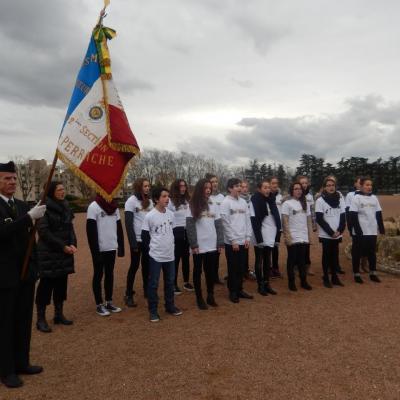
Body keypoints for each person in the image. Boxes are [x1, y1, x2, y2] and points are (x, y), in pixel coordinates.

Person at [0, 161, 46, 388]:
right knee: (5, 323)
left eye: (13, 178)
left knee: (23, 321)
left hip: (25, 275)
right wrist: (29, 218)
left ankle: (22, 362)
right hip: (4, 277)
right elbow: (3, 233)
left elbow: (31, 241)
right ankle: (6, 370)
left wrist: (35, 268)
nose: (12, 182)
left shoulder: (20, 205)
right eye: (6, 178)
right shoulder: (21, 212)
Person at [35, 181, 77, 333]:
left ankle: (58, 314)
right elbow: (44, 232)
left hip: (64, 253)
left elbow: (70, 228)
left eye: (63, 189)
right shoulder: (43, 207)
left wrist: (73, 243)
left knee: (61, 284)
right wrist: (62, 246)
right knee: (46, 286)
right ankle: (40, 319)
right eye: (59, 189)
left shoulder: (65, 206)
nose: (62, 191)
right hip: (49, 253)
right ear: (51, 191)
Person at [142, 187, 183, 322]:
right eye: (164, 196)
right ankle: (153, 311)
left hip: (169, 255)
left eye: (168, 196)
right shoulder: (149, 216)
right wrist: (151, 251)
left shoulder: (171, 214)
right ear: (156, 199)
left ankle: (170, 306)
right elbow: (145, 237)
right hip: (155, 255)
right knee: (153, 283)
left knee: (170, 282)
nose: (167, 199)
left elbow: (174, 232)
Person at [186, 179, 224, 310]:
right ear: (200, 189)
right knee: (198, 271)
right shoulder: (192, 204)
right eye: (205, 188)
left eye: (210, 188)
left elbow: (218, 225)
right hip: (199, 246)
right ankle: (199, 298)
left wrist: (220, 242)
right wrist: (194, 244)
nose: (208, 190)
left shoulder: (214, 204)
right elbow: (190, 226)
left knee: (210, 271)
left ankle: (210, 295)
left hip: (212, 244)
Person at [86, 195, 124, 316]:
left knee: (109, 274)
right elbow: (90, 231)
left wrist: (121, 246)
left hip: (111, 246)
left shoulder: (115, 207)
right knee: (98, 274)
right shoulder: (93, 206)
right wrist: (95, 251)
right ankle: (99, 304)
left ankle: (109, 301)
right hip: (99, 248)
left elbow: (119, 228)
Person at [220, 178, 253, 303]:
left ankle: (240, 289)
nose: (239, 188)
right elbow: (225, 223)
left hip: (243, 241)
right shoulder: (225, 203)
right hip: (232, 243)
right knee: (233, 268)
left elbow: (248, 220)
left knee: (241, 268)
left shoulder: (244, 202)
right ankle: (232, 292)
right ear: (229, 188)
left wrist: (247, 237)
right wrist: (233, 240)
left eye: (240, 186)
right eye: (236, 186)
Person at [349, 177, 385, 284]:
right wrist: (358, 230)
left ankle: (373, 273)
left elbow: (378, 214)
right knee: (357, 253)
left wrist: (381, 228)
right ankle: (356, 274)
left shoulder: (374, 198)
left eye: (371, 185)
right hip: (360, 231)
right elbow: (353, 215)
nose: (369, 187)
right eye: (367, 185)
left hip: (372, 230)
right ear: (361, 186)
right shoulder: (356, 198)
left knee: (371, 253)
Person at [124, 178, 153, 307]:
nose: (147, 188)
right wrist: (133, 243)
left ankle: (147, 291)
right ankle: (128, 294)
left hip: (148, 239)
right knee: (134, 266)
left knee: (147, 266)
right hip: (137, 240)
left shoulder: (150, 202)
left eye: (148, 186)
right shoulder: (131, 201)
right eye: (145, 186)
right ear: (139, 187)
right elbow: (128, 224)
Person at [250, 179, 280, 296]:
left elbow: (276, 219)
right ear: (259, 189)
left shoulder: (272, 200)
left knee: (268, 260)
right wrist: (259, 238)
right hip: (261, 233)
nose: (268, 189)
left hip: (271, 233)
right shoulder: (256, 200)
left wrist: (277, 235)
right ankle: (260, 285)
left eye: (269, 187)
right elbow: (255, 221)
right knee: (259, 260)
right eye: (265, 187)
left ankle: (267, 283)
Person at [281, 182, 313, 292]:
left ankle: (303, 281)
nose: (298, 191)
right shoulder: (287, 204)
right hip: (293, 237)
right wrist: (288, 237)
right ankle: (291, 282)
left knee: (302, 261)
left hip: (303, 237)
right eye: (295, 189)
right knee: (292, 260)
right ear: (291, 191)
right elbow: (285, 222)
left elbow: (309, 221)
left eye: (300, 189)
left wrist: (310, 236)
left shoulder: (305, 203)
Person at [315, 177, 345, 288]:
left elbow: (343, 216)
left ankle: (334, 277)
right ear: (324, 187)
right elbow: (319, 219)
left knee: (335, 256)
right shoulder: (320, 200)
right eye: (328, 185)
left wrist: (340, 230)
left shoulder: (340, 199)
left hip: (337, 233)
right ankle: (326, 277)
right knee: (327, 255)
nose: (331, 187)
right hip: (326, 234)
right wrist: (331, 232)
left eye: (332, 185)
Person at [168, 179, 193, 294]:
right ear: (176, 188)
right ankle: (172, 284)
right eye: (180, 186)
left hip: (187, 231)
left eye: (184, 186)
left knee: (186, 258)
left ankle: (186, 282)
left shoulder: (188, 200)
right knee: (176, 259)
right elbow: (168, 218)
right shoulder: (170, 202)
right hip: (176, 232)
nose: (183, 188)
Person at [345, 176, 368, 273]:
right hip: (355, 224)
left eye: (362, 182)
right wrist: (350, 226)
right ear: (355, 184)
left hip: (366, 225)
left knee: (366, 245)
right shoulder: (350, 195)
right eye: (359, 182)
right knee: (357, 246)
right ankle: (357, 266)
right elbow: (348, 211)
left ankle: (364, 265)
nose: (360, 184)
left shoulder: (369, 195)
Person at [205, 173, 225, 284]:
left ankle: (215, 277)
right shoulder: (206, 196)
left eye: (216, 181)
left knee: (217, 254)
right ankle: (209, 277)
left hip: (218, 228)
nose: (215, 184)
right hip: (208, 229)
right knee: (209, 255)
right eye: (212, 182)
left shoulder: (222, 197)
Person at [298, 175, 316, 276]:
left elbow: (312, 210)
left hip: (307, 222)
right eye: (302, 183)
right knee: (298, 245)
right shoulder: (295, 195)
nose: (304, 185)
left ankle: (307, 265)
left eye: (306, 183)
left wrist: (313, 224)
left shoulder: (310, 196)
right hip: (297, 224)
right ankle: (297, 265)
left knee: (307, 245)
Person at [240, 180, 256, 280]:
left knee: (246, 250)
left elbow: (252, 215)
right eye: (242, 187)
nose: (245, 189)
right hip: (239, 229)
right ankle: (238, 271)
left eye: (246, 187)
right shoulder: (237, 200)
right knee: (238, 252)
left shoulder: (250, 200)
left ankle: (245, 271)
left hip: (248, 229)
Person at [270, 176, 283, 278]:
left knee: (275, 247)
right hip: (268, 227)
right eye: (273, 183)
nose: (275, 185)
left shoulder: (281, 197)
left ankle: (275, 268)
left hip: (278, 227)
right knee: (268, 248)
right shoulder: (266, 196)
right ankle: (267, 268)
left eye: (276, 183)